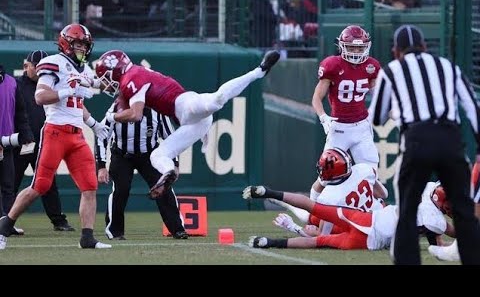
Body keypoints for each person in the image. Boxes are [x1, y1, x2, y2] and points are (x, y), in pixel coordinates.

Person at [94, 49, 280, 198]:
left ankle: (259, 71)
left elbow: (135, 114)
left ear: (115, 71)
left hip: (186, 106)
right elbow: (121, 98)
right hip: (189, 121)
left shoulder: (130, 79)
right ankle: (168, 174)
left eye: (106, 79)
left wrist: (112, 117)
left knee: (216, 100)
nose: (107, 85)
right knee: (157, 156)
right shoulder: (134, 74)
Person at [367, 24, 480, 265]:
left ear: (396, 51)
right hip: (450, 139)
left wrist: (401, 110)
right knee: (464, 211)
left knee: (407, 212)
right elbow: (473, 108)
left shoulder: (392, 70)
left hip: (416, 139)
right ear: (425, 47)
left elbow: (377, 116)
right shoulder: (448, 67)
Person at [0, 23, 111, 250]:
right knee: (39, 186)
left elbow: (83, 97)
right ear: (66, 43)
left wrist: (94, 124)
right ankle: (4, 227)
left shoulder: (80, 68)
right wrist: (67, 90)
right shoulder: (55, 63)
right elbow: (40, 96)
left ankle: (87, 238)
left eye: (85, 45)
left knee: (89, 186)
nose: (83, 49)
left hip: (76, 135)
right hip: (55, 132)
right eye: (79, 44)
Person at [244, 180, 455, 251]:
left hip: (365, 218)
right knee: (319, 241)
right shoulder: (435, 219)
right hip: (369, 238)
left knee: (313, 208)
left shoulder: (428, 190)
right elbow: (450, 231)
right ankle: (268, 242)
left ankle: (270, 192)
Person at [311, 25, 388, 204]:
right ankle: (313, 209)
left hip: (362, 127)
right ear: (342, 46)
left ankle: (372, 211)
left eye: (359, 48)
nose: (355, 51)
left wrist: (398, 117)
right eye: (352, 47)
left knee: (371, 177)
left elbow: (381, 99)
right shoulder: (332, 65)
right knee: (326, 176)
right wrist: (324, 118)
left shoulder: (372, 66)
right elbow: (316, 98)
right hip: (338, 128)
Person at [96, 96, 188, 240]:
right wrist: (101, 166)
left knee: (163, 186)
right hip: (122, 155)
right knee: (121, 189)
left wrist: (174, 164)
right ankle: (115, 232)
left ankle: (177, 229)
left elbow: (171, 138)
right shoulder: (116, 108)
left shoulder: (157, 111)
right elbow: (102, 135)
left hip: (150, 155)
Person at [14, 50, 74, 232]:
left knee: (48, 183)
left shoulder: (52, 85)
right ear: (27, 66)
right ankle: (6, 220)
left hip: (43, 142)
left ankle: (58, 220)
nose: (40, 72)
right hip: (20, 142)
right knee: (10, 182)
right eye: (36, 67)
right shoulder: (15, 85)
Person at [266, 148, 385, 235]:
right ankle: (284, 202)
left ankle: (285, 204)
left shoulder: (329, 196)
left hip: (359, 229)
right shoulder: (365, 169)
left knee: (312, 219)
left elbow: (323, 237)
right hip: (380, 218)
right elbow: (383, 194)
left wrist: (293, 227)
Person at [0, 63, 35, 236]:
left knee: (8, 186)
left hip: (6, 144)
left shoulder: (12, 83)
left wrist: (26, 134)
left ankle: (6, 224)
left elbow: (20, 112)